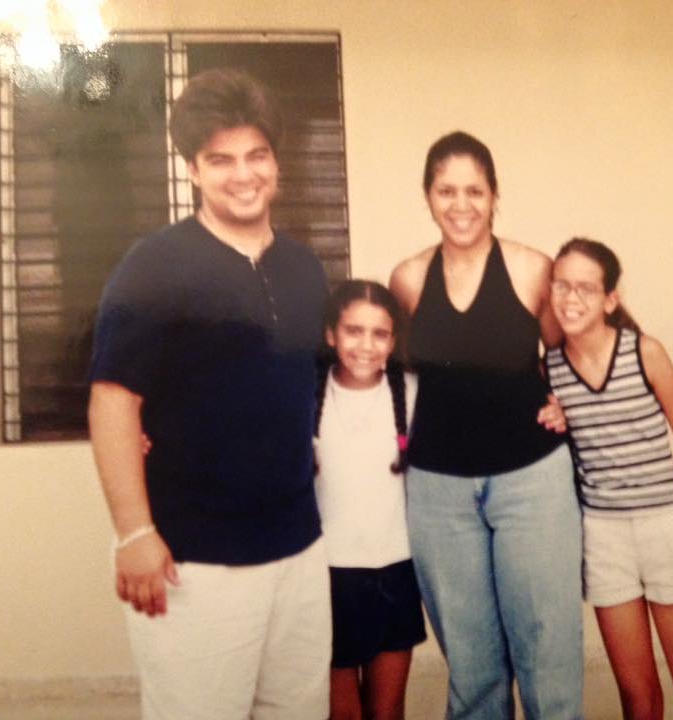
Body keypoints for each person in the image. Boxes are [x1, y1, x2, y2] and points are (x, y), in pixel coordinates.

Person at [87, 68, 331, 720]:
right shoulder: (155, 266)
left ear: (277, 162)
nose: (242, 174)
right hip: (194, 561)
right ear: (193, 170)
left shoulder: (305, 269)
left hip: (299, 551)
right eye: (219, 160)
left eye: (256, 155)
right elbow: (112, 401)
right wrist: (133, 532)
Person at [389, 131, 583, 720]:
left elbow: (579, 347)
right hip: (438, 491)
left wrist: (574, 407)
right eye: (446, 191)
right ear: (427, 197)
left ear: (495, 196)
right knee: (473, 669)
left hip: (532, 482)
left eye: (474, 190)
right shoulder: (408, 278)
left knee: (548, 656)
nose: (461, 204)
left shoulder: (532, 269)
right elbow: (374, 365)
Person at [545, 238, 673, 720]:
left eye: (585, 287)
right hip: (603, 541)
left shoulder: (645, 352)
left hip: (664, 530)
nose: (570, 298)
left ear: (610, 299)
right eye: (561, 285)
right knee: (639, 701)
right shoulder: (550, 370)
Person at [313, 279, 427, 720]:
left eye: (380, 334)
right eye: (353, 331)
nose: (366, 345)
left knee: (387, 710)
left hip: (396, 572)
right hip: (328, 575)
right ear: (330, 334)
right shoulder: (307, 396)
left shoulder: (413, 393)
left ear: (394, 340)